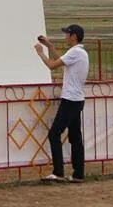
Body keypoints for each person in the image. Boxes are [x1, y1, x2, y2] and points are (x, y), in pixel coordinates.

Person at [35, 24, 89, 183]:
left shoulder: (75, 52)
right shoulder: (80, 52)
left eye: (67, 34)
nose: (65, 37)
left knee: (54, 133)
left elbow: (52, 65)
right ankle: (78, 174)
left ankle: (58, 172)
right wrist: (49, 45)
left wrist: (40, 53)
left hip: (70, 100)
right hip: (77, 100)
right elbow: (61, 60)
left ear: (74, 36)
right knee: (75, 137)